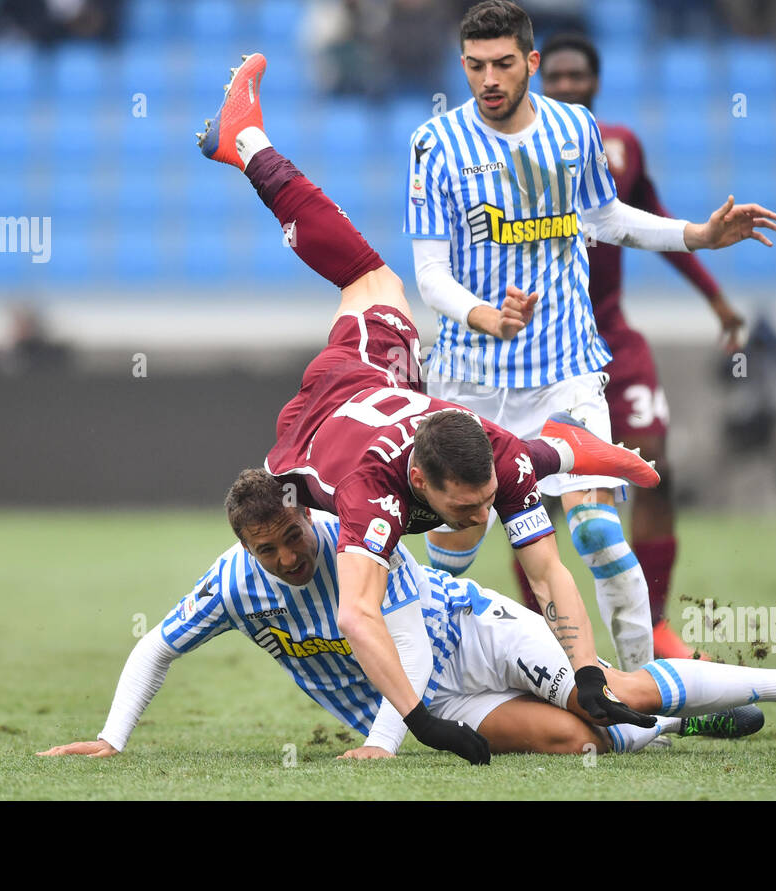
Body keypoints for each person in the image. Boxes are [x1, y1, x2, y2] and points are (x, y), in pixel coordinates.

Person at [187, 52, 669, 766]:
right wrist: (416, 722)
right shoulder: (375, 500)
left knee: (370, 276)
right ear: (421, 487)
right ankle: (245, 142)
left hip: (346, 398)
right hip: (356, 402)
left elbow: (545, 568)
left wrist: (586, 671)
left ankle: (248, 141)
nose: (485, 510)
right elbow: (361, 611)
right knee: (372, 279)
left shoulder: (421, 479)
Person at [405, 0, 776, 673]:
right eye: (475, 65)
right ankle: (441, 689)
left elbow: (605, 218)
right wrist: (486, 316)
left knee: (602, 534)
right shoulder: (437, 144)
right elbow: (430, 274)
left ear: (531, 63)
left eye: (502, 64)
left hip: (564, 371)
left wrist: (696, 234)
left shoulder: (573, 130)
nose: (488, 79)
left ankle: (644, 696)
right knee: (452, 564)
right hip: (469, 383)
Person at [38, 471, 776, 762]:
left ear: (306, 515)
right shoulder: (234, 583)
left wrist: (383, 739)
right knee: (576, 743)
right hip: (438, 702)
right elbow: (156, 645)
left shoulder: (355, 539)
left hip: (471, 632)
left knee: (604, 692)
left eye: (293, 537)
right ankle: (671, 728)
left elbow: (397, 636)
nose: (289, 558)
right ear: (245, 548)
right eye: (270, 551)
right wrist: (113, 737)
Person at [535, 31, 745, 659]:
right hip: (544, 349)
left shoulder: (620, 150)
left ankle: (652, 626)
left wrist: (713, 296)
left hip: (614, 339)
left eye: (580, 77)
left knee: (652, 467)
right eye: (558, 77)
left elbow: (656, 226)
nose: (569, 86)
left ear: (595, 82)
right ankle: (547, 632)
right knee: (538, 489)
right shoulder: (517, 153)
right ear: (541, 80)